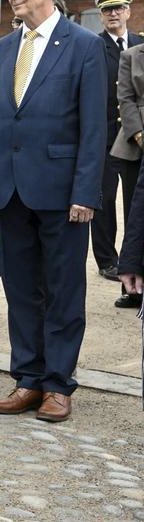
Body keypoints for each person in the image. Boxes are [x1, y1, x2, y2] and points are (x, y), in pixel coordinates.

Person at [0, 0, 106, 424]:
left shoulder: (84, 46)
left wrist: (86, 193)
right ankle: (28, 378)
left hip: (63, 195)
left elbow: (94, 129)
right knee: (21, 290)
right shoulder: (0, 50)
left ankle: (58, 385)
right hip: (7, 192)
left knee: (64, 290)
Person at [91, 0, 144, 295]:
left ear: (128, 11)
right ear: (101, 15)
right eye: (107, 10)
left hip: (134, 138)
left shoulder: (140, 45)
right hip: (105, 136)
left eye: (118, 8)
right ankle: (107, 260)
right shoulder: (92, 46)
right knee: (104, 201)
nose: (113, 14)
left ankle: (132, 260)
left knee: (134, 203)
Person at [115, 36, 144, 315]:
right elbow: (125, 98)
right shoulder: (132, 55)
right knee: (135, 214)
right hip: (136, 146)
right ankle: (132, 288)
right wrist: (138, 134)